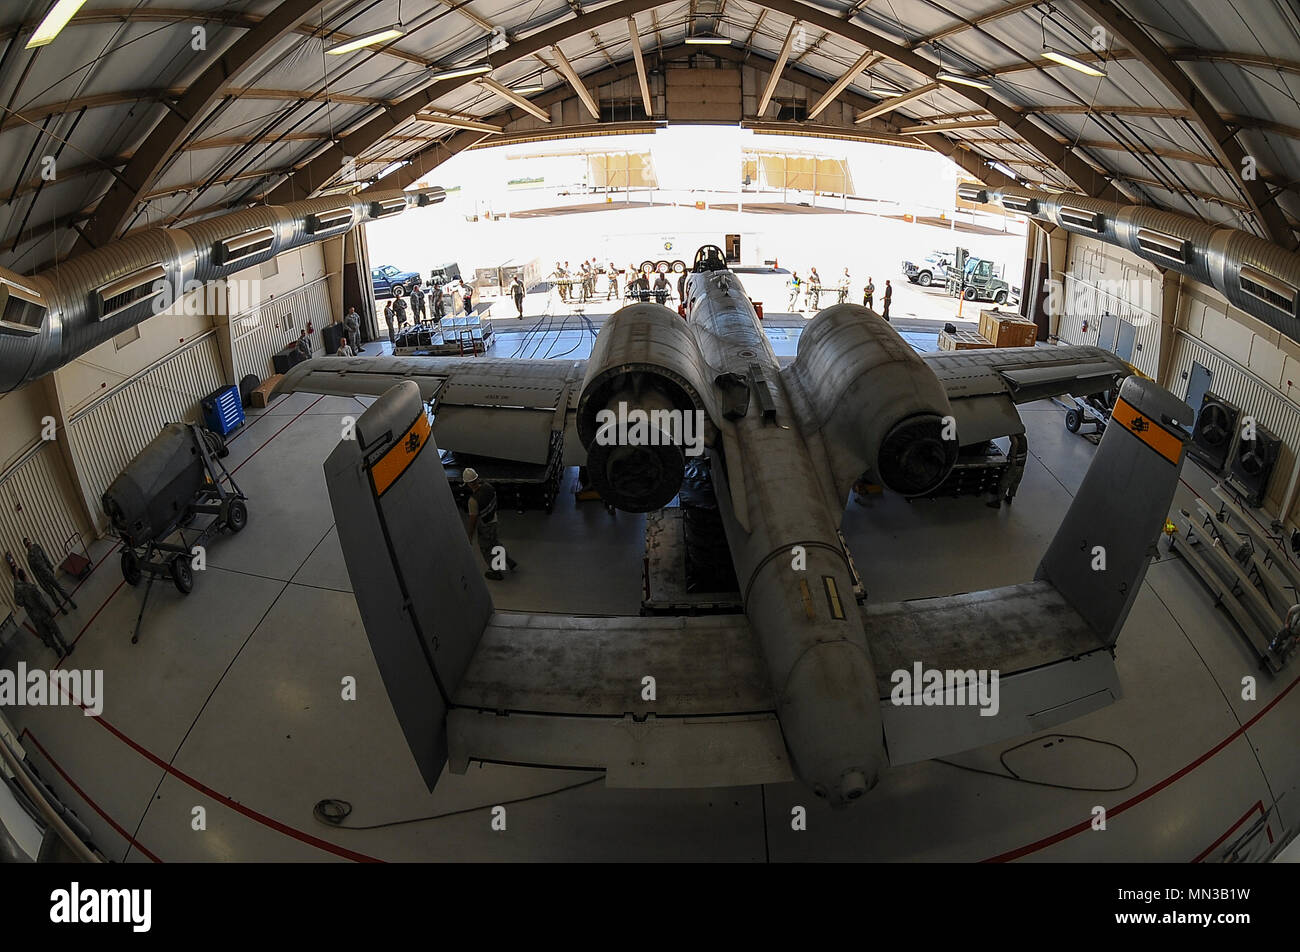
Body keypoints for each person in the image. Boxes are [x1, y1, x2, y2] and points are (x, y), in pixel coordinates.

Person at [463, 468, 518, 581]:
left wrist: (469, 536)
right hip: (494, 520)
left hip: (486, 526)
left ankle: (496, 572)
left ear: (468, 483)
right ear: (477, 478)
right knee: (495, 543)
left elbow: (473, 521)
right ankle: (508, 561)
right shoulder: (489, 487)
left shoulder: (473, 501)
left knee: (486, 549)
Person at [14, 569, 71, 659]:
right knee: (56, 630)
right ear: (25, 575)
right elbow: (42, 602)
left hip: (35, 618)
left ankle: (57, 650)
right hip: (43, 614)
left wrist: (15, 580)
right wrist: (49, 611)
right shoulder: (32, 588)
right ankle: (66, 647)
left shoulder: (20, 592)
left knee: (48, 636)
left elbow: (18, 602)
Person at [24, 537, 75, 614]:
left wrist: (50, 566)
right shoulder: (29, 558)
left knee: (59, 587)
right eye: (27, 544)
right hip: (43, 579)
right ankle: (61, 608)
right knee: (52, 594)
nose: (29, 544)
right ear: (26, 547)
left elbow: (45, 556)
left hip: (47, 572)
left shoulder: (37, 547)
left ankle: (70, 601)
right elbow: (35, 572)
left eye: (29, 542)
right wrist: (40, 583)